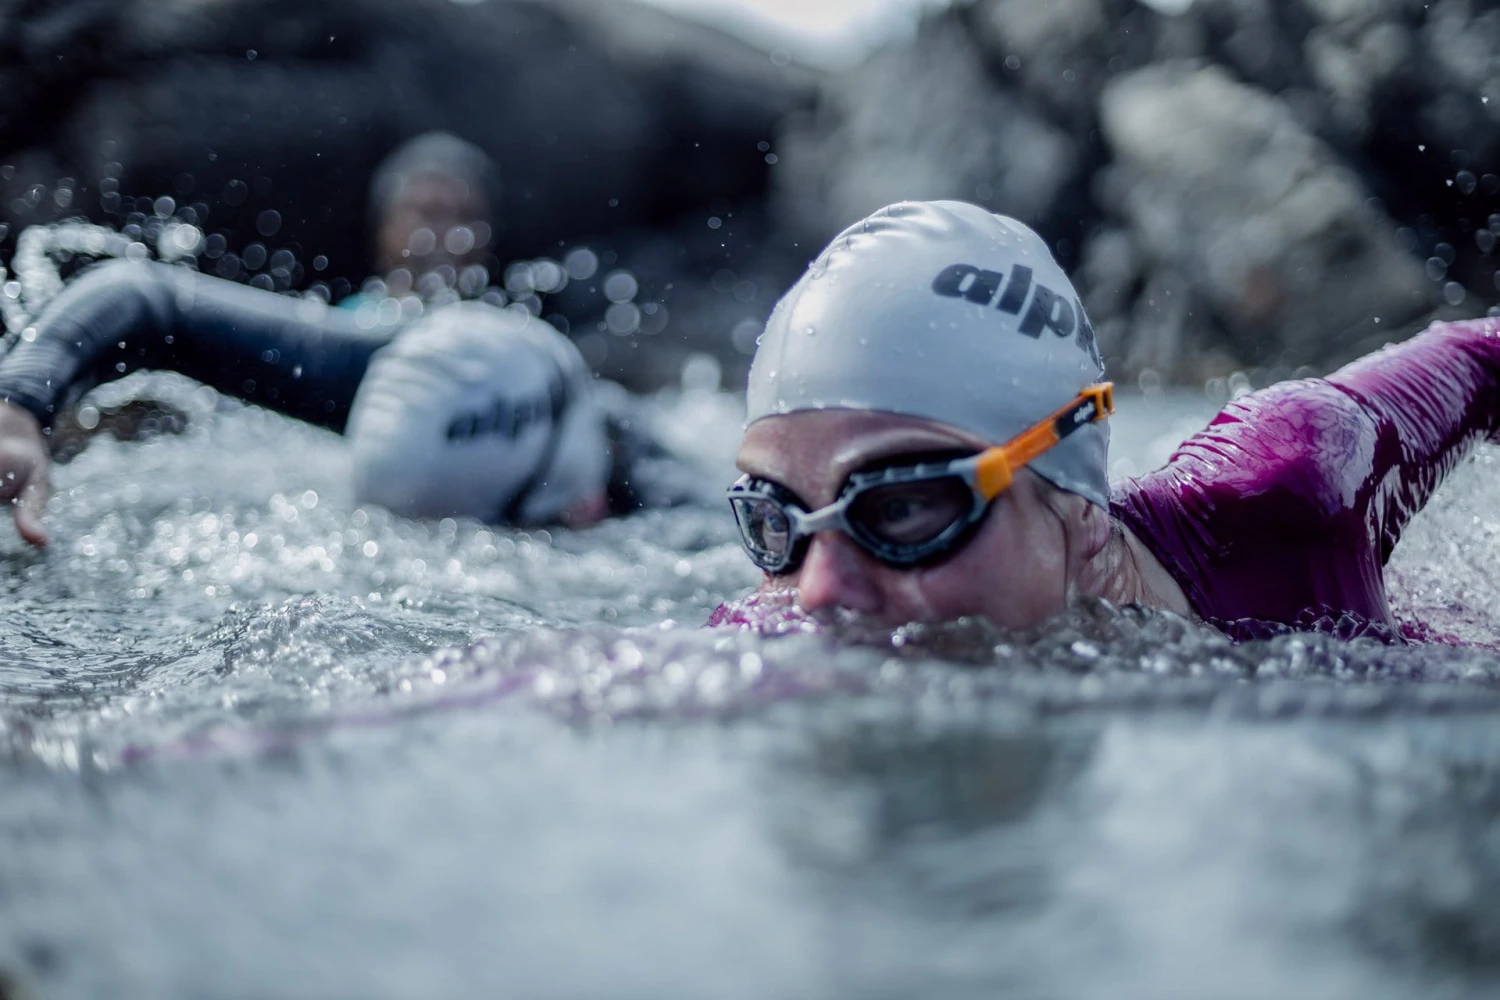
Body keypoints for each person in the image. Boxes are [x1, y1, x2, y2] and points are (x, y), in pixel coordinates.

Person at [714, 200, 1500, 642]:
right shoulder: (767, 632)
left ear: (1082, 511)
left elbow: (1484, 354)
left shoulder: (1289, 482)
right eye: (776, 521)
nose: (819, 594)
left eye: (904, 505)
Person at [0, 256, 697, 547]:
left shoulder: (669, 499)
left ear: (581, 509)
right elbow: (144, 295)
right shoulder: (386, 375)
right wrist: (18, 408)